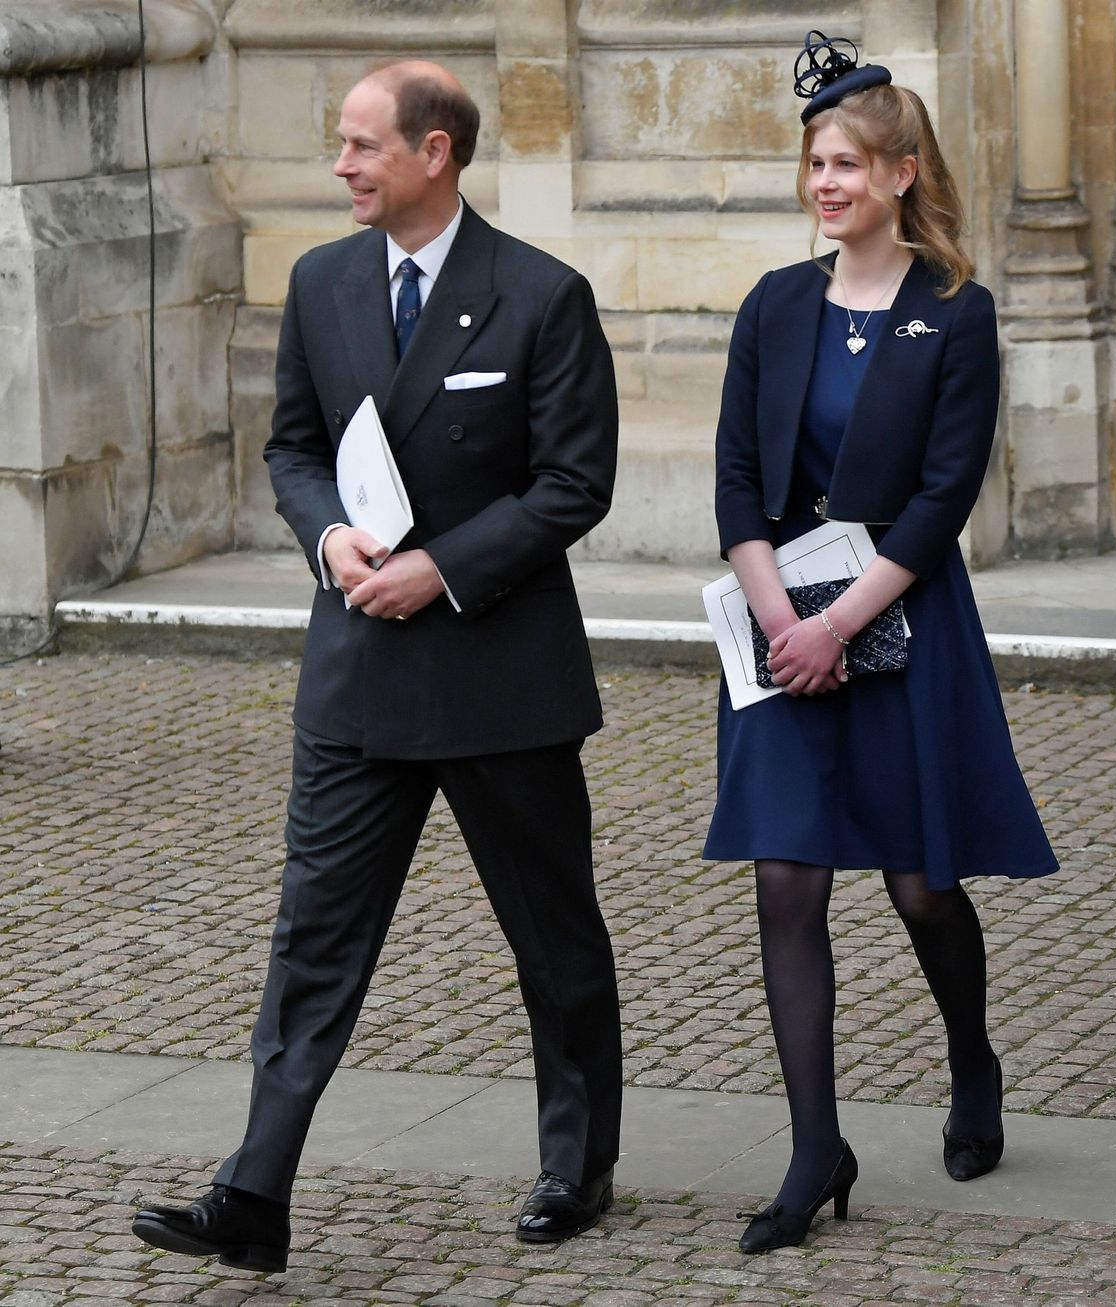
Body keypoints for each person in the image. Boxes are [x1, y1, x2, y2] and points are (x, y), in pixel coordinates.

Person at [131, 61, 624, 1272]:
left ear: (433, 153)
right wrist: (325, 535)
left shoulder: (541, 295)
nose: (341, 165)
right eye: (340, 146)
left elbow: (574, 482)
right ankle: (254, 1189)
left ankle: (577, 1159)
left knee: (551, 933)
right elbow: (293, 448)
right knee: (313, 936)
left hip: (496, 672)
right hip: (356, 667)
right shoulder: (321, 281)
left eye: (360, 146)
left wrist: (442, 568)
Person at [704, 33, 1058, 1255]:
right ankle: (816, 1148)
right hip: (780, 628)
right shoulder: (772, 303)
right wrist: (778, 619)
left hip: (903, 624)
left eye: (847, 163)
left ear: (903, 171)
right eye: (814, 164)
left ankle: (972, 1058)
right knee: (785, 882)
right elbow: (737, 478)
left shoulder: (955, 313)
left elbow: (943, 493)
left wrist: (843, 622)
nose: (826, 184)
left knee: (919, 884)